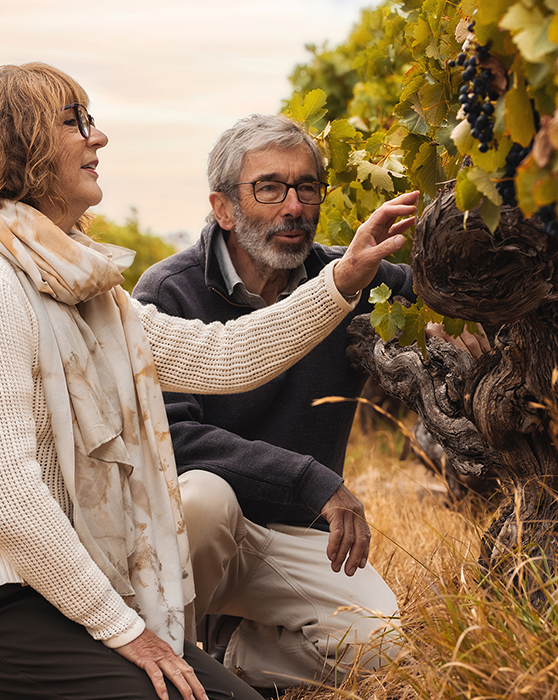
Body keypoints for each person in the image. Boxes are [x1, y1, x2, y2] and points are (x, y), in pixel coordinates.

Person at [0, 63, 419, 700]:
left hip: (48, 590)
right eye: (75, 122)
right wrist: (123, 629)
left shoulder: (77, 285)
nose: (97, 138)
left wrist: (343, 281)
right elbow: (6, 489)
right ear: (18, 146)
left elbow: (225, 356)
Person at [132, 114, 421, 690]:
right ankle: (169, 662)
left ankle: (232, 658)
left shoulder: (353, 275)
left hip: (297, 536)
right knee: (203, 498)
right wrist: (311, 480)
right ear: (222, 207)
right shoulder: (169, 291)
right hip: (206, 531)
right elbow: (173, 438)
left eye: (306, 186)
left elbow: (440, 303)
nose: (294, 205)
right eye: (269, 187)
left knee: (385, 650)